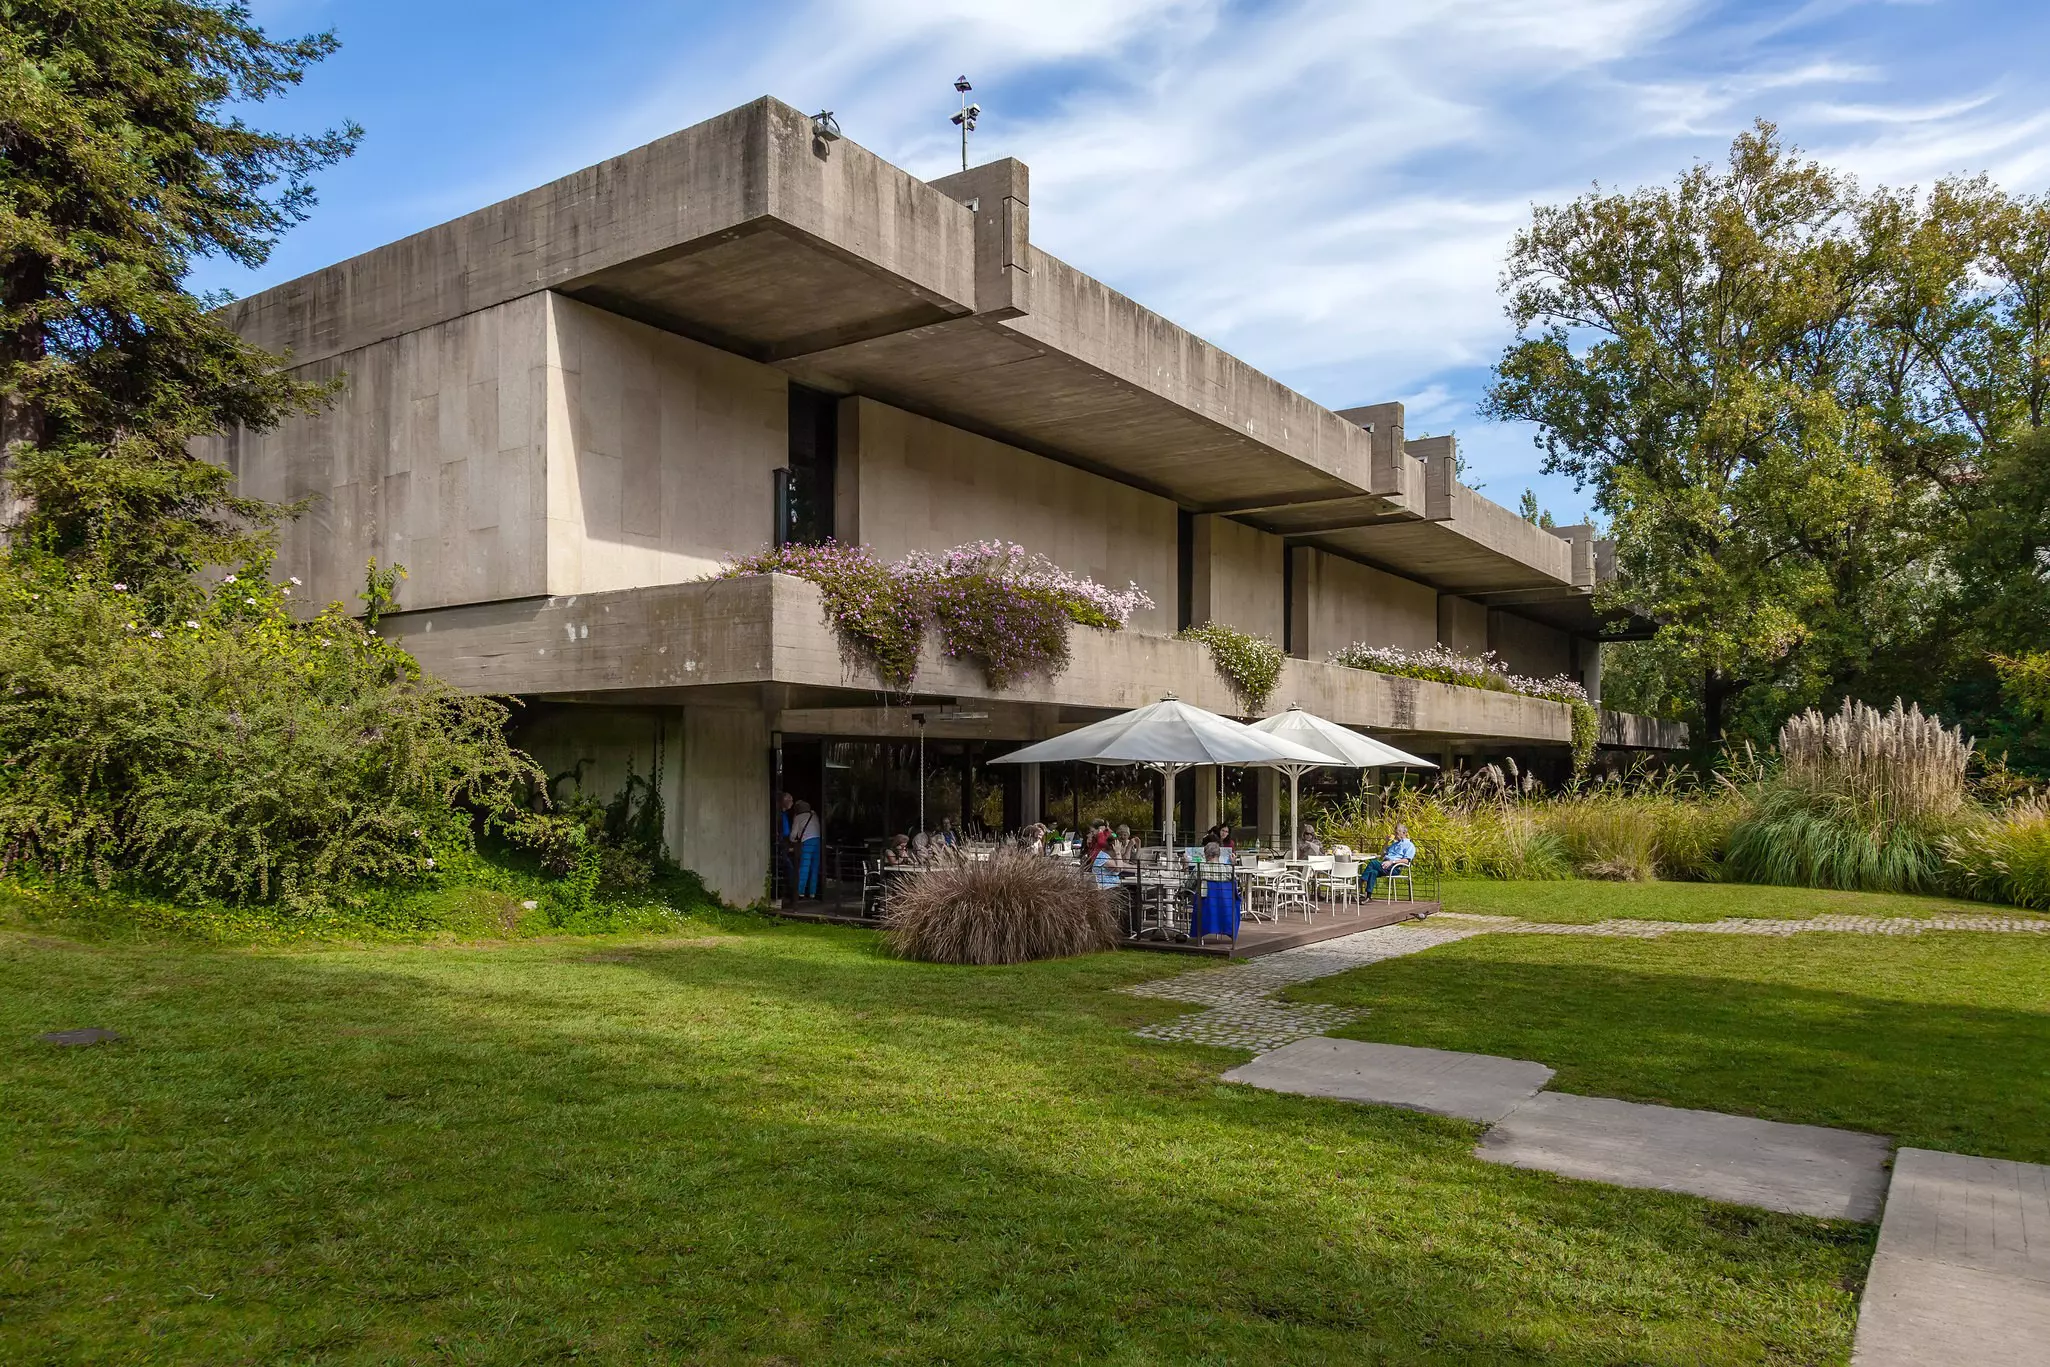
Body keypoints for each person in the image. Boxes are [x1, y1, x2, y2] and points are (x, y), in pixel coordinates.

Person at [1361, 823, 1416, 899]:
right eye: (1395, 833)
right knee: (1373, 872)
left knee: (1373, 863)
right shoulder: (1394, 844)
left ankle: (1361, 881)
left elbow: (1406, 860)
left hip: (1394, 867)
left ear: (1404, 833)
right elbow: (1382, 853)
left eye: (1397, 833)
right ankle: (1368, 896)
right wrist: (1386, 842)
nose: (1395, 835)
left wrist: (1391, 862)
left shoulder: (1409, 845)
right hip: (1385, 865)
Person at [789, 800, 822, 898]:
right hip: (817, 841)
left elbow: (793, 834)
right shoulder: (814, 815)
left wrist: (792, 840)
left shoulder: (798, 817)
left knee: (804, 867)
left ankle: (801, 892)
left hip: (807, 842)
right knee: (814, 868)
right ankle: (812, 893)